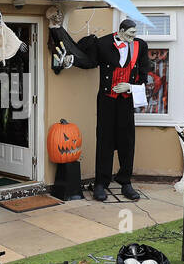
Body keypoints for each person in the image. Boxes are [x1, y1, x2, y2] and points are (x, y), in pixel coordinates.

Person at [51, 16, 150, 201]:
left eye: (135, 34)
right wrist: (72, 60)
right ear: (121, 31)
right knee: (104, 140)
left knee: (127, 141)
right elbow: (90, 62)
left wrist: (129, 86)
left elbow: (144, 74)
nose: (133, 37)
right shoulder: (103, 43)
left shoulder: (140, 46)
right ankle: (101, 183)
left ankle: (125, 181)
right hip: (107, 99)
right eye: (130, 34)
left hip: (126, 100)